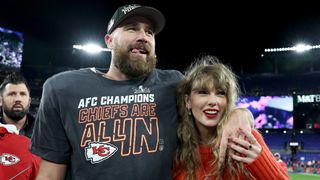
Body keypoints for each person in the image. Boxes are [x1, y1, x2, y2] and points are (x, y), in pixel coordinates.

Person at [30, 4, 251, 179]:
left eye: (149, 32)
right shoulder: (63, 88)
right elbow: (51, 172)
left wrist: (239, 114)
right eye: (132, 28)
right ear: (109, 41)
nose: (143, 36)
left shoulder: (173, 83)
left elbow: (212, 101)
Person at [172, 55, 289, 180]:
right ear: (187, 101)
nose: (213, 101)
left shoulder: (244, 137)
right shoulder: (176, 148)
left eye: (220, 93)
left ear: (228, 101)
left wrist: (260, 162)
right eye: (203, 92)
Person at [0, 72, 35, 138]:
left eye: (22, 94)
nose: (18, 99)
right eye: (12, 94)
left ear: (29, 101)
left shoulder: (44, 130)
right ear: (0, 101)